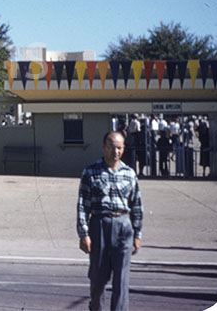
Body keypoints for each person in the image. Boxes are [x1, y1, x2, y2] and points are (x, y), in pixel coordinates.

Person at [77, 131, 143, 311]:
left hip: (123, 226)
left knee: (121, 281)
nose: (116, 151)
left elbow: (137, 206)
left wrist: (137, 234)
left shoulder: (129, 174)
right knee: (97, 280)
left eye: (120, 147)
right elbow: (83, 206)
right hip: (99, 226)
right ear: (103, 147)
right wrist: (84, 234)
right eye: (112, 147)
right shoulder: (91, 172)